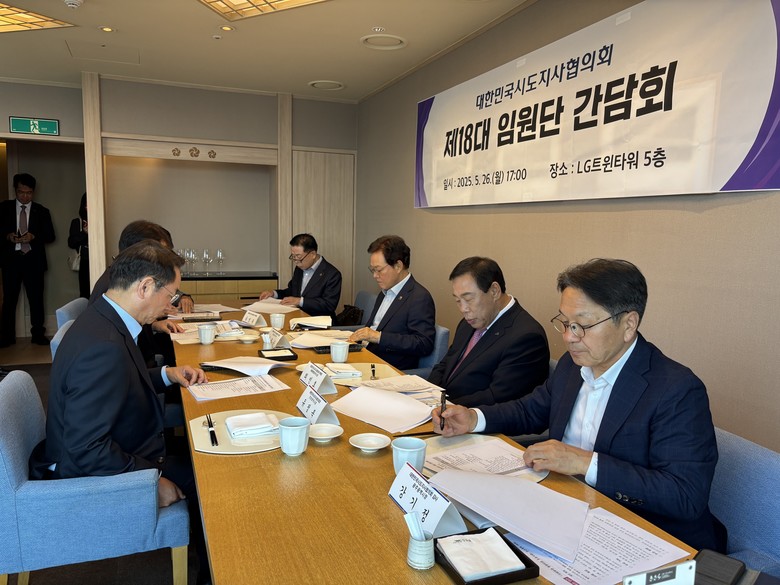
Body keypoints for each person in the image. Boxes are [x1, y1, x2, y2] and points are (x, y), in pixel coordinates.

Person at [434, 258, 725, 552]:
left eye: (582, 325)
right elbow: (531, 410)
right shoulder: (573, 366)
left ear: (628, 324)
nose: (568, 337)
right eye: (564, 322)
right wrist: (474, 418)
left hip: (640, 534)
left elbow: (685, 495)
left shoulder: (676, 389)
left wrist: (585, 462)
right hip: (563, 510)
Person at [29, 240, 211, 583]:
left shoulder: (105, 318)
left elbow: (121, 382)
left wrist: (166, 374)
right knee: (209, 478)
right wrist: (152, 480)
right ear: (145, 287)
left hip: (113, 442)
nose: (170, 305)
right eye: (169, 295)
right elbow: (86, 449)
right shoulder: (104, 347)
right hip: (90, 469)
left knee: (199, 452)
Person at [428, 257, 549, 407]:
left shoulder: (526, 337)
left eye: (468, 299)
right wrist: (426, 395)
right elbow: (445, 364)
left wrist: (445, 407)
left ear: (494, 291)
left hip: (472, 415)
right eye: (458, 301)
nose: (463, 309)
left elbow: (496, 397)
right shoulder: (469, 322)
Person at [90, 220, 192, 367]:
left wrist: (154, 326)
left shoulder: (118, 283)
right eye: (160, 253)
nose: (167, 260)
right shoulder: (107, 347)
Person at [349, 235, 435, 370]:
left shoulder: (419, 297)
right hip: (365, 355)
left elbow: (423, 343)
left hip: (388, 368)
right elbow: (372, 328)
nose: (375, 276)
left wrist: (379, 337)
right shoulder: (384, 292)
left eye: (379, 270)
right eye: (372, 270)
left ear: (398, 266)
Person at [0, 173, 56, 346]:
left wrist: (34, 236)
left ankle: (38, 334)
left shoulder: (42, 211)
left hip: (34, 261)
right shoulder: (3, 208)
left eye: (29, 193)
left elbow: (51, 236)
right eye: (21, 192)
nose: (25, 196)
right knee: (9, 299)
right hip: (11, 261)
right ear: (15, 190)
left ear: (33, 192)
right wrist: (8, 236)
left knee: (36, 299)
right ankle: (6, 336)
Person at [258, 233, 342, 318]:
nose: (296, 261)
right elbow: (292, 291)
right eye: (293, 256)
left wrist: (300, 301)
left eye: (298, 256)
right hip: (298, 317)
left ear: (313, 254)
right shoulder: (300, 268)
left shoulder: (332, 274)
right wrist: (274, 294)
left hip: (319, 321)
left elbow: (329, 305)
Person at [67, 192, 89, 298]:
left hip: (100, 259)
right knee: (85, 294)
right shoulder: (77, 222)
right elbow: (71, 243)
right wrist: (84, 232)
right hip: (84, 261)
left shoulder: (101, 220)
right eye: (87, 204)